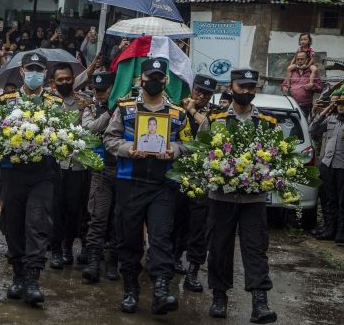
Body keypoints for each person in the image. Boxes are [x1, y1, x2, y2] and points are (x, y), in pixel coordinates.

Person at [104, 58, 191, 315]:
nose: (153, 82)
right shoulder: (124, 108)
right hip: (130, 182)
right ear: (140, 80)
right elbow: (110, 139)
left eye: (158, 77)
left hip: (163, 185)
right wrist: (128, 149)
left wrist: (174, 150)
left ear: (165, 80)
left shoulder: (178, 114)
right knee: (128, 238)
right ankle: (131, 290)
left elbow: (189, 145)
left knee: (161, 236)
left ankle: (161, 291)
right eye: (149, 77)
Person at [205, 69, 278, 324]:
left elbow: (276, 156)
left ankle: (260, 302)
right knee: (219, 247)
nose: (246, 91)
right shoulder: (215, 119)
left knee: (256, 248)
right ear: (231, 87)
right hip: (221, 198)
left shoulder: (268, 122)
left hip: (253, 200)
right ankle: (219, 297)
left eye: (251, 87)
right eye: (242, 86)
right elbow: (201, 152)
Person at [0, 52, 62, 306]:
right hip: (13, 172)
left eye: (39, 69)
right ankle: (17, 275)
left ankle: (33, 279)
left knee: (37, 223)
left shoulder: (54, 102)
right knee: (12, 223)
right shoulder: (6, 101)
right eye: (30, 69)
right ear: (22, 72)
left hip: (42, 173)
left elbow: (63, 133)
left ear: (45, 74)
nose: (34, 73)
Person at [174, 74, 218, 292]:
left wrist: (193, 111)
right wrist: (185, 110)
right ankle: (173, 259)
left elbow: (211, 131)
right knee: (175, 220)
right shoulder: (178, 108)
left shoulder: (214, 115)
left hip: (202, 178)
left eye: (206, 94)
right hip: (178, 174)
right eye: (198, 91)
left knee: (198, 226)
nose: (201, 96)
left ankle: (193, 270)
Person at [48, 62, 91, 270]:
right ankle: (55, 250)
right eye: (60, 80)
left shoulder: (83, 103)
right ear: (53, 82)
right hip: (56, 165)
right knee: (56, 209)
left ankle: (67, 247)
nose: (64, 82)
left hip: (77, 165)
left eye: (68, 79)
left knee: (75, 209)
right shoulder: (48, 103)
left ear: (73, 79)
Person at [309, 92, 344, 243]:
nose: (340, 107)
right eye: (338, 104)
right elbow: (313, 130)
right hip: (328, 165)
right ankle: (329, 229)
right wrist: (325, 111)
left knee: (343, 201)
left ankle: (341, 232)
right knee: (330, 200)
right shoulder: (331, 119)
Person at [81, 71, 119, 283]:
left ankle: (113, 262)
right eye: (96, 90)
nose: (99, 94)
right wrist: (109, 112)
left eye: (103, 90)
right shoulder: (91, 108)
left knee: (119, 219)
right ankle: (94, 262)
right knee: (97, 216)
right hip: (100, 168)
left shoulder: (127, 107)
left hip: (122, 169)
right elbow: (88, 129)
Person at [281, 50, 322, 117]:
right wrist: (284, 87)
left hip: (306, 106)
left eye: (302, 59)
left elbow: (320, 88)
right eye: (298, 59)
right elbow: (284, 84)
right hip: (292, 105)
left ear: (307, 60)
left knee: (304, 125)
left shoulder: (311, 71)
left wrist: (312, 86)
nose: (300, 61)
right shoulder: (292, 71)